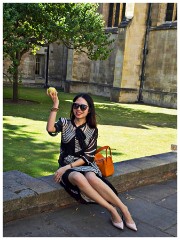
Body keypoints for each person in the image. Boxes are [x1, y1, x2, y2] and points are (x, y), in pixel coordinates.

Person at [46, 91, 137, 231]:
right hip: (67, 167)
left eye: (83, 107)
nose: (78, 109)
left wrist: (67, 167)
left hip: (84, 164)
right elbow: (50, 129)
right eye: (76, 106)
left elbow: (88, 157)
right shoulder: (65, 123)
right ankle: (111, 210)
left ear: (89, 110)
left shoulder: (92, 129)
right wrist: (55, 105)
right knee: (77, 176)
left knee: (91, 177)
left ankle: (124, 209)